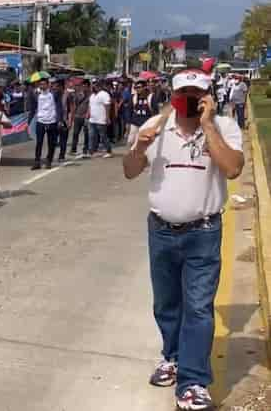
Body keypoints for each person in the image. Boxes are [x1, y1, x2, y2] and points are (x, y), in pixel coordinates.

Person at [122, 69, 244, 411]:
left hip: (203, 233)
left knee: (199, 308)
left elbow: (233, 168)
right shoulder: (154, 128)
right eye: (183, 94)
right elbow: (130, 171)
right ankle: (172, 356)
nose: (189, 100)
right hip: (160, 230)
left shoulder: (225, 127)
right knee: (167, 304)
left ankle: (192, 381)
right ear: (172, 96)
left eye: (197, 94)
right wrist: (139, 148)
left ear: (209, 97)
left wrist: (208, 125)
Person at [26, 77, 63, 170]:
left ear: (48, 85)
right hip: (40, 121)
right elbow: (32, 109)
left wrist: (60, 120)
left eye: (44, 84)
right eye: (40, 84)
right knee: (39, 142)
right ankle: (37, 162)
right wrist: (29, 122)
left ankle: (49, 161)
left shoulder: (54, 94)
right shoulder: (36, 94)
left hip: (52, 121)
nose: (42, 86)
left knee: (51, 143)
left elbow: (59, 107)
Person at [127, 79, 155, 147]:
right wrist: (128, 123)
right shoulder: (133, 97)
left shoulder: (151, 97)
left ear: (144, 87)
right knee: (131, 141)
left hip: (146, 124)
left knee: (144, 143)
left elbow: (156, 111)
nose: (137, 89)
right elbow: (129, 110)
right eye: (136, 87)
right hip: (135, 123)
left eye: (139, 87)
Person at [89, 81, 113, 158]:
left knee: (103, 136)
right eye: (93, 85)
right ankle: (92, 151)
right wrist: (88, 114)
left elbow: (107, 106)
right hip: (92, 119)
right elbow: (90, 106)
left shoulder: (104, 94)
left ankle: (108, 150)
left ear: (99, 86)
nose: (93, 87)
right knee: (92, 135)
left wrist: (107, 117)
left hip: (101, 120)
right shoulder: (92, 95)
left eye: (95, 85)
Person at [70, 79, 91, 158]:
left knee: (86, 134)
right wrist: (73, 115)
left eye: (85, 86)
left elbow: (90, 106)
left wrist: (88, 114)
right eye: (83, 86)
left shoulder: (91, 95)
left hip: (85, 117)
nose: (84, 87)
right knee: (75, 133)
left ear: (88, 86)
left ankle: (85, 149)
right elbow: (74, 105)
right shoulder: (78, 95)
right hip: (77, 116)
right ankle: (73, 149)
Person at [53, 78, 70, 163]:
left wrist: (70, 121)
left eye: (57, 86)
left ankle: (61, 155)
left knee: (63, 139)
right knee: (53, 139)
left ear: (61, 87)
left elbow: (72, 108)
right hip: (54, 120)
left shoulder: (67, 95)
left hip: (64, 120)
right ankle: (51, 156)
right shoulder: (54, 95)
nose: (55, 87)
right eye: (54, 86)